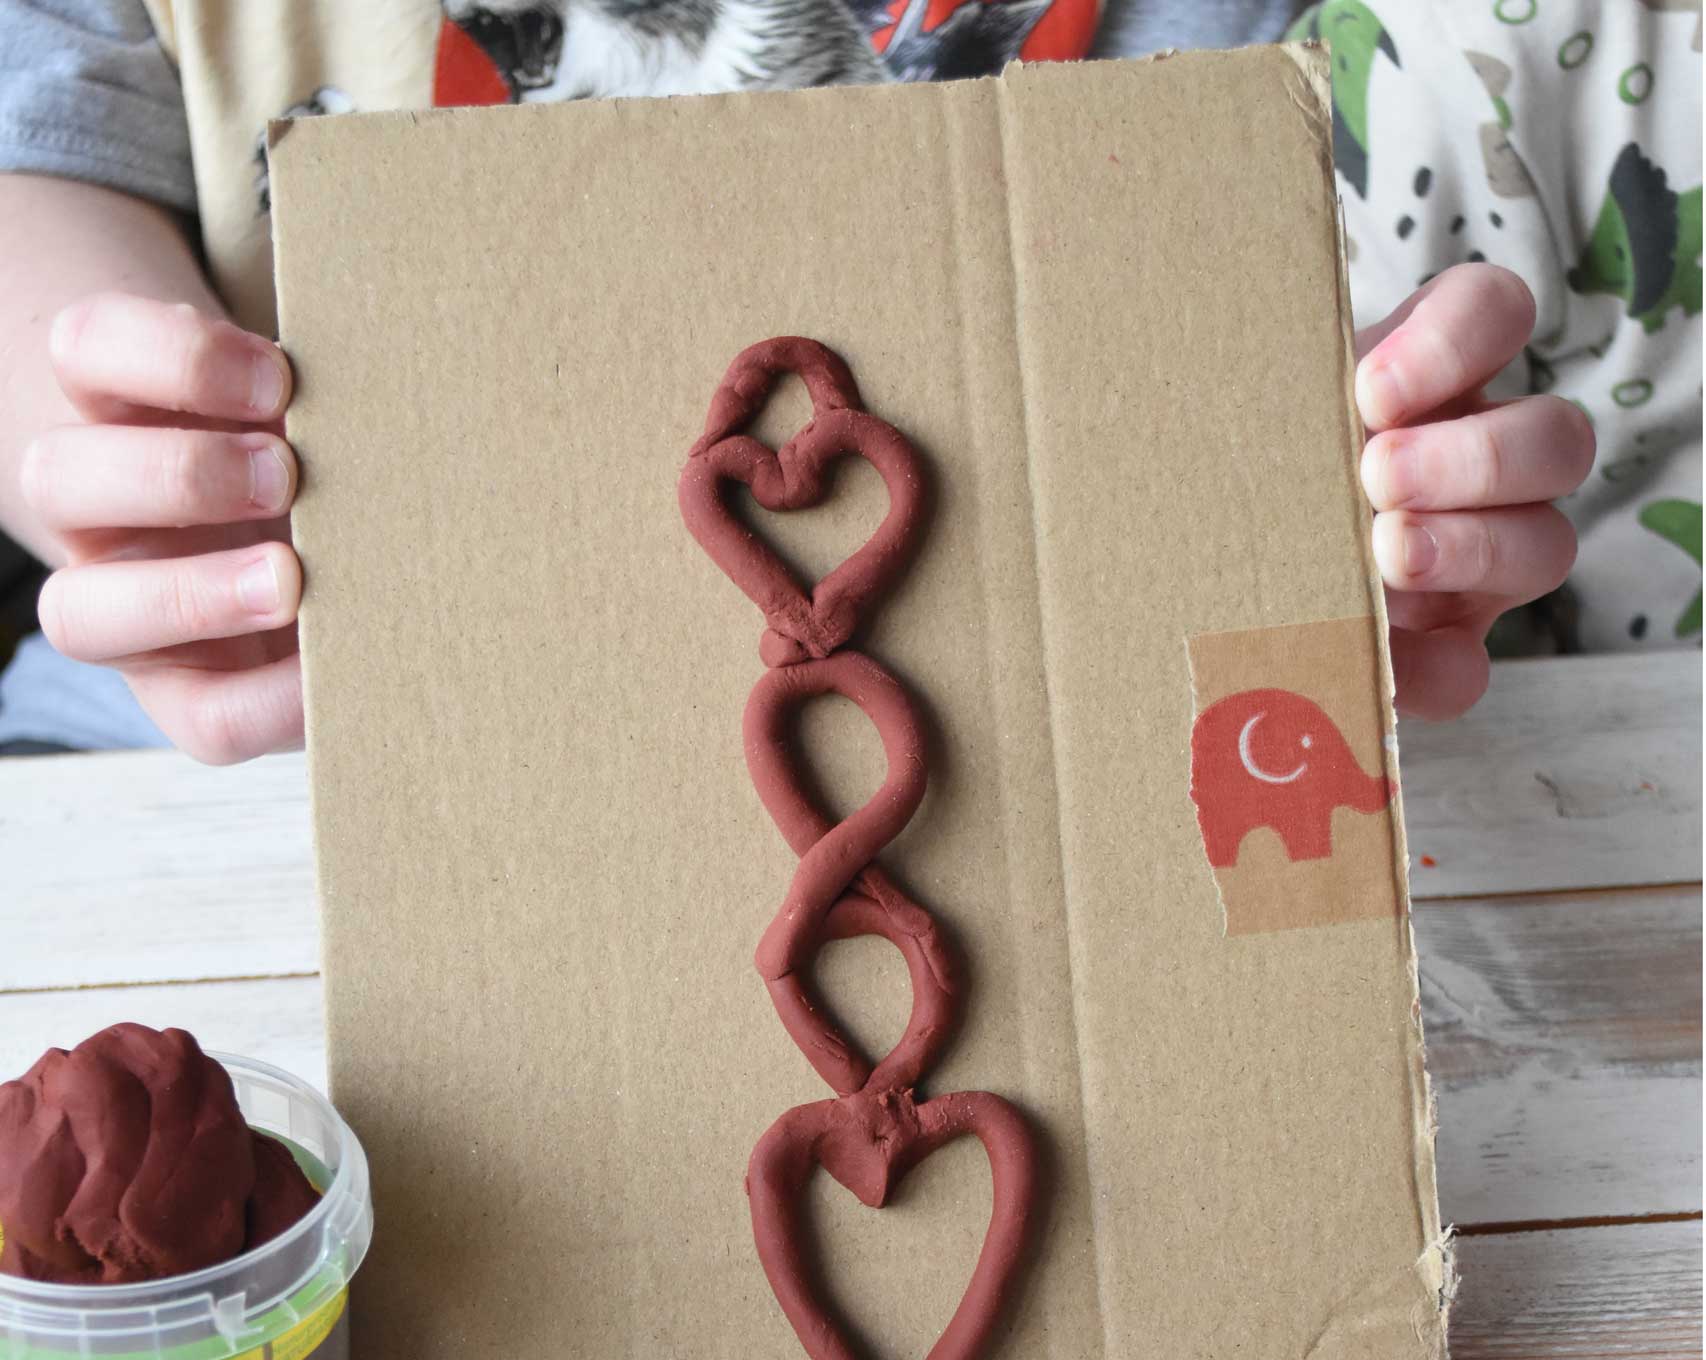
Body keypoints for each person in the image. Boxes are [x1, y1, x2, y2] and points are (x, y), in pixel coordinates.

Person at [0, 1, 1687, 761]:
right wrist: (125, 448)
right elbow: (44, 152)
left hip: (1127, 799)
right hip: (222, 790)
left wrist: (1388, 503)